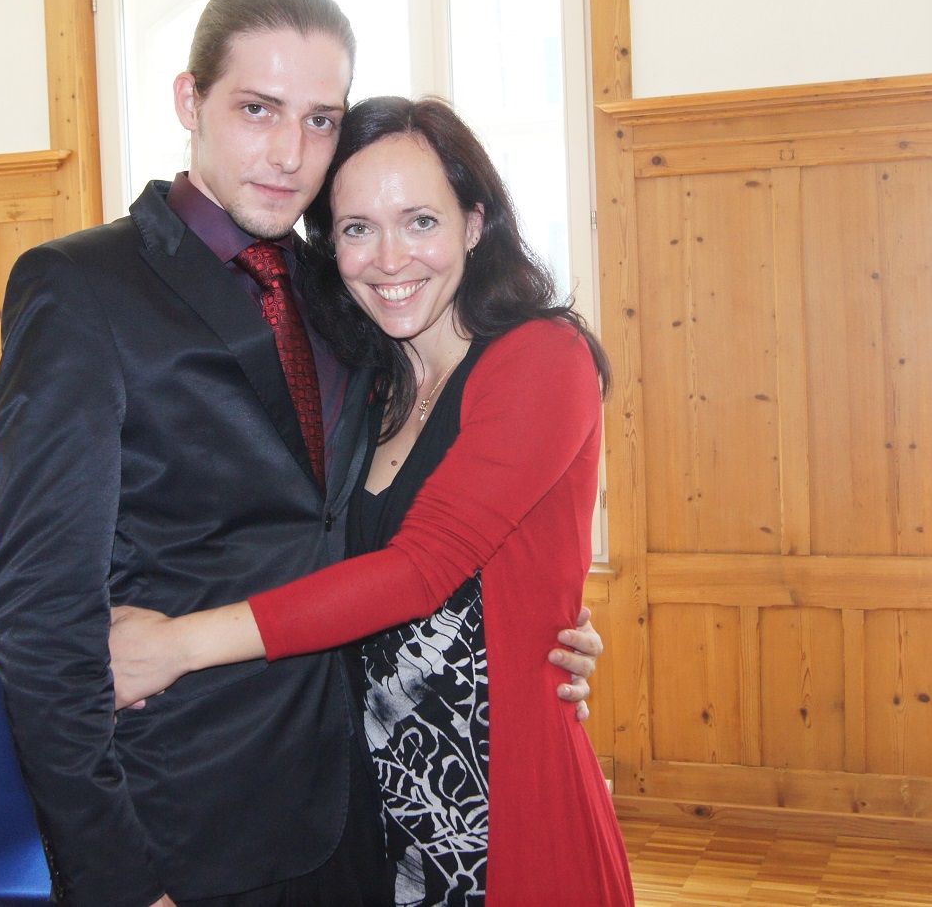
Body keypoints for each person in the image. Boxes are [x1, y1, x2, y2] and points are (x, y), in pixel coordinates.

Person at [0, 0, 602, 906]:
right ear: (190, 101)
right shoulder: (81, 287)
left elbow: (409, 537)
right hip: (184, 822)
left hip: (361, 808)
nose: (288, 153)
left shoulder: (343, 292)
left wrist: (544, 618)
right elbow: (41, 616)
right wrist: (114, 882)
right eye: (257, 109)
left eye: (320, 120)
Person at [109, 95, 635, 906]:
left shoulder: (541, 357)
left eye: (419, 221)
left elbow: (420, 569)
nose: (389, 259)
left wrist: (175, 645)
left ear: (473, 223)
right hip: (361, 812)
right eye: (357, 228)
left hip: (495, 810)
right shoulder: (365, 382)